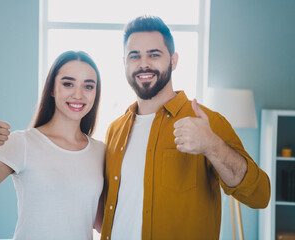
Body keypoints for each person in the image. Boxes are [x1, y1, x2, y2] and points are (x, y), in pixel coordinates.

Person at [100, 15, 270, 240]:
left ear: (173, 60)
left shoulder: (208, 123)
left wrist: (212, 146)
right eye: (134, 56)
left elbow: (260, 195)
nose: (143, 64)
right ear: (124, 63)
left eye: (154, 54)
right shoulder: (114, 131)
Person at [0, 51, 105, 240]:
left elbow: (101, 222)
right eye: (68, 83)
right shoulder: (23, 143)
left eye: (88, 86)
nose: (78, 94)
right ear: (52, 89)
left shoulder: (100, 151)